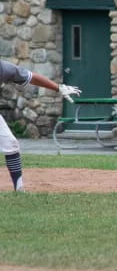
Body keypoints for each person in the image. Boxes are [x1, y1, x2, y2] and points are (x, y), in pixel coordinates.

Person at [0, 59, 81, 191]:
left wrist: (59, 88)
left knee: (11, 145)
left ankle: (19, 189)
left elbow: (32, 77)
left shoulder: (3, 68)